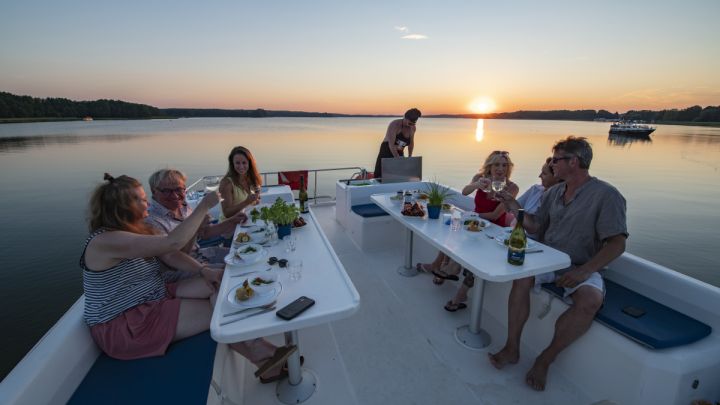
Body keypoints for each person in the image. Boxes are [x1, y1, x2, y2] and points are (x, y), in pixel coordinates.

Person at [81, 173, 295, 383]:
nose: (148, 202)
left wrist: (204, 270)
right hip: (125, 324)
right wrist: (203, 207)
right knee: (219, 309)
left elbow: (171, 254)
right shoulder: (105, 241)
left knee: (220, 283)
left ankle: (262, 353)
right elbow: (172, 243)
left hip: (154, 295)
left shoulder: (137, 230)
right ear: (123, 206)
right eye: (143, 199)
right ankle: (264, 354)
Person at [491, 136, 628, 391]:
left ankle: (546, 359)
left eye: (556, 160)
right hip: (547, 258)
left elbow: (617, 244)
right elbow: (536, 225)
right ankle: (512, 348)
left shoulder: (607, 196)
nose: (552, 164)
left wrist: (584, 271)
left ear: (573, 162)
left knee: (590, 302)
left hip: (583, 264)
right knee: (521, 277)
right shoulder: (553, 192)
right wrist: (514, 207)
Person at [415, 151, 519, 309]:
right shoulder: (480, 178)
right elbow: (464, 192)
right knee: (451, 230)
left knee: (476, 255)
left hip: (495, 230)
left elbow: (494, 215)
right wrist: (476, 185)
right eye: (496, 165)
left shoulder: (512, 188)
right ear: (489, 166)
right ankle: (440, 266)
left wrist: (470, 215)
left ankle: (460, 292)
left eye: (504, 165)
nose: (500, 169)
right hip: (476, 223)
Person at [146, 168, 246, 272]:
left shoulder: (182, 205)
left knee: (246, 256)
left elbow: (204, 233)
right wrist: (202, 211)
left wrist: (233, 221)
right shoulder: (151, 221)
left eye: (179, 189)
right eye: (166, 191)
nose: (175, 195)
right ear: (154, 191)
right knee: (237, 268)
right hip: (182, 269)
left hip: (200, 253)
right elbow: (177, 258)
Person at [373, 108, 422, 179]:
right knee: (381, 176)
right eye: (409, 123)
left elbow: (411, 144)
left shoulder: (413, 128)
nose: (410, 125)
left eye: (413, 123)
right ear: (405, 117)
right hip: (386, 150)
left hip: (400, 151)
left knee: (400, 176)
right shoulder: (394, 124)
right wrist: (397, 159)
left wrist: (410, 156)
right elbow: (391, 144)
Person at [219, 146, 262, 221]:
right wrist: (246, 202)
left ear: (250, 163)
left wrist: (255, 201)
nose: (241, 166)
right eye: (237, 163)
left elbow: (253, 203)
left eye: (244, 162)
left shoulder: (252, 179)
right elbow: (227, 213)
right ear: (232, 164)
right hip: (230, 227)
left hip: (247, 221)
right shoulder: (226, 183)